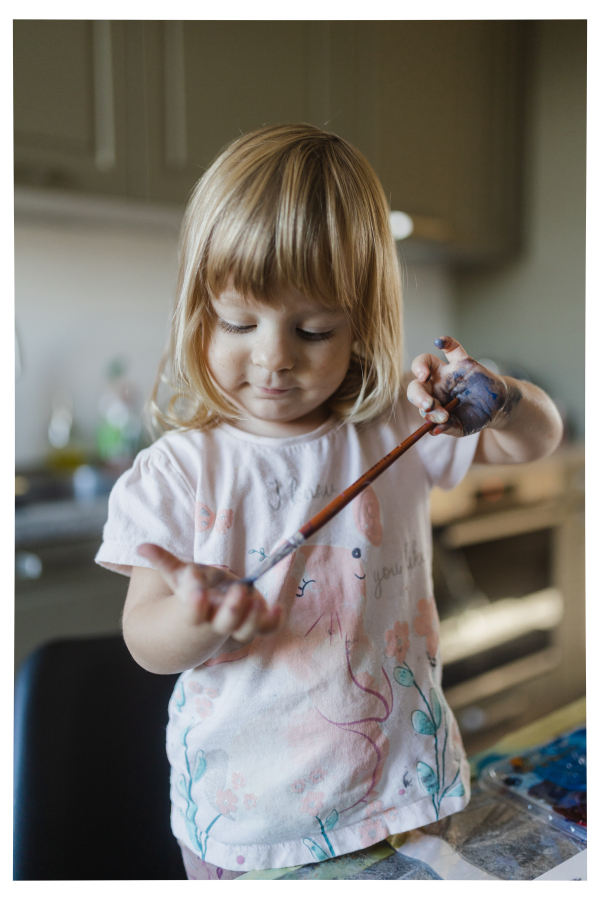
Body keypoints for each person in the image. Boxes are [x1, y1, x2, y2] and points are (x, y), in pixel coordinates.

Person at [96, 123, 563, 880]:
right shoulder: (177, 473)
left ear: (361, 325)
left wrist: (499, 397)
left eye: (314, 329)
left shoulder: (396, 428)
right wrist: (193, 615)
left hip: (406, 791)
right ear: (196, 312)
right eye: (240, 322)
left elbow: (535, 439)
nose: (274, 356)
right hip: (249, 827)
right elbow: (146, 640)